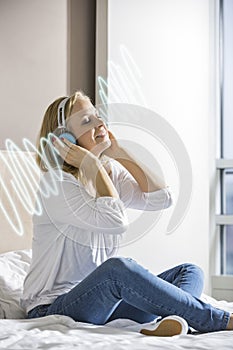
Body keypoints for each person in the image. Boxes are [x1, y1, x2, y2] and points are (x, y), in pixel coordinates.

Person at [21, 91, 233, 336]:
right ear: (64, 139)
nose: (101, 124)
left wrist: (119, 152)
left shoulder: (109, 173)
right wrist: (90, 164)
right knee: (116, 269)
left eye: (98, 117)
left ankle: (175, 322)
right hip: (53, 307)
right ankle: (217, 319)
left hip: (104, 304)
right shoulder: (56, 184)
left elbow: (162, 198)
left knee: (189, 271)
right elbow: (116, 221)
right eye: (87, 121)